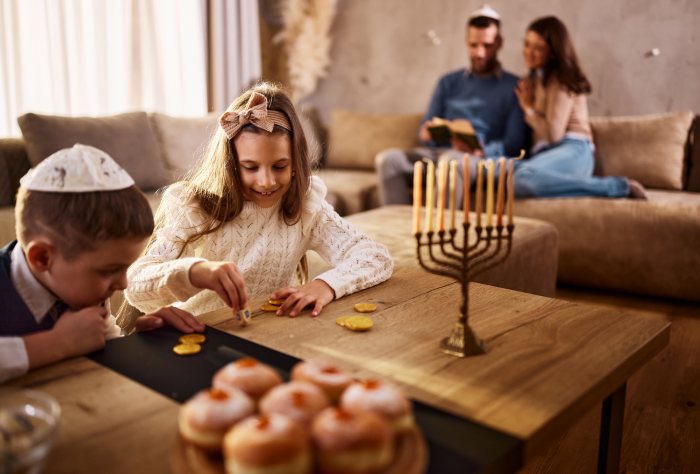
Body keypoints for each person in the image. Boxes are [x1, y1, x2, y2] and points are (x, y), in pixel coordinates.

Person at [124, 83, 393, 323]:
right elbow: (136, 287)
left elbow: (375, 257)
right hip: (201, 329)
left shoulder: (307, 207)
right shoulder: (196, 206)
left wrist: (325, 285)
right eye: (250, 167)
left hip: (270, 331)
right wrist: (195, 272)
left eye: (280, 166)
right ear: (230, 165)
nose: (266, 182)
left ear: (296, 164)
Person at [0, 144, 204, 383]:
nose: (123, 283)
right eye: (110, 270)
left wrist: (136, 344)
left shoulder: (89, 290)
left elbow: (104, 344)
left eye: (126, 267)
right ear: (42, 258)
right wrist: (56, 344)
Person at [376, 4, 528, 208]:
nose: (480, 53)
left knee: (451, 162)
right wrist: (427, 134)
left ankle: (440, 237)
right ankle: (396, 231)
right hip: (441, 153)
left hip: (479, 159)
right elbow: (426, 130)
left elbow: (515, 142)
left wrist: (481, 149)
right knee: (388, 160)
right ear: (466, 42)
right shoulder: (448, 82)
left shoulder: (514, 86)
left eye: (487, 45)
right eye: (473, 45)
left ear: (499, 43)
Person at [512, 16, 647, 198]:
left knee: (521, 179)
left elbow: (553, 135)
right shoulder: (532, 81)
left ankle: (617, 186)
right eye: (527, 44)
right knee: (494, 169)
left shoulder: (561, 80)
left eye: (538, 47)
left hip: (572, 150)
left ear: (553, 52)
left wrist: (528, 109)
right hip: (544, 157)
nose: (528, 52)